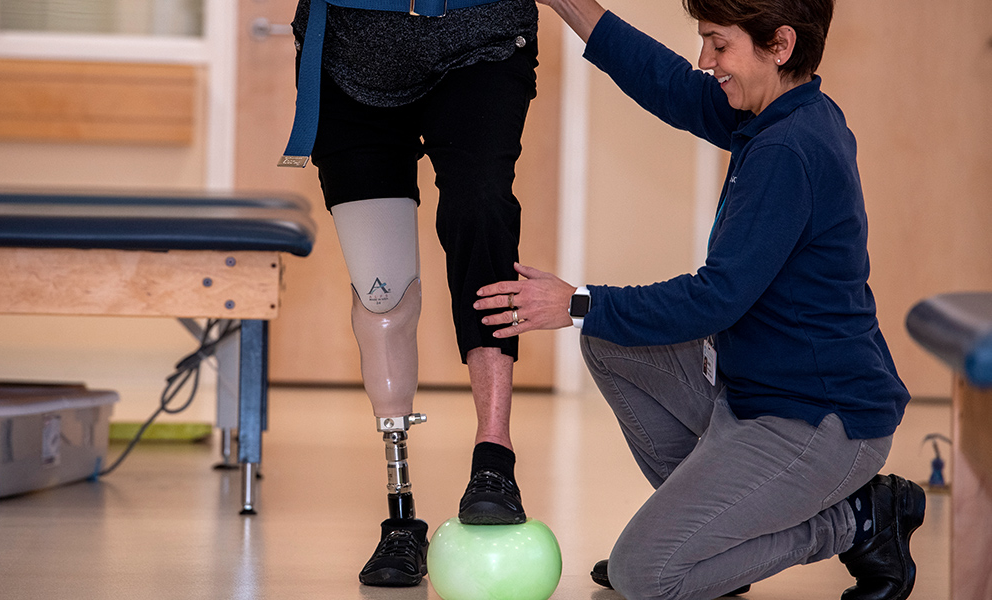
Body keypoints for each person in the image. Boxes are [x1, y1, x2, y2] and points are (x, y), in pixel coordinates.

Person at [474, 0, 924, 598]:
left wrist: (576, 302)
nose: (705, 60)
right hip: (756, 390)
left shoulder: (789, 149)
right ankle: (707, 547)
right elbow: (667, 83)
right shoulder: (776, 113)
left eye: (719, 44)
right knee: (611, 341)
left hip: (820, 420)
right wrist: (571, 6)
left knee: (645, 576)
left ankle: (857, 519)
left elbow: (716, 299)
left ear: (780, 45)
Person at [286, 0, 539, 588]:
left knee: (480, 208)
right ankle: (401, 515)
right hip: (351, 50)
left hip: (481, 35)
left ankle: (493, 460)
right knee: (381, 291)